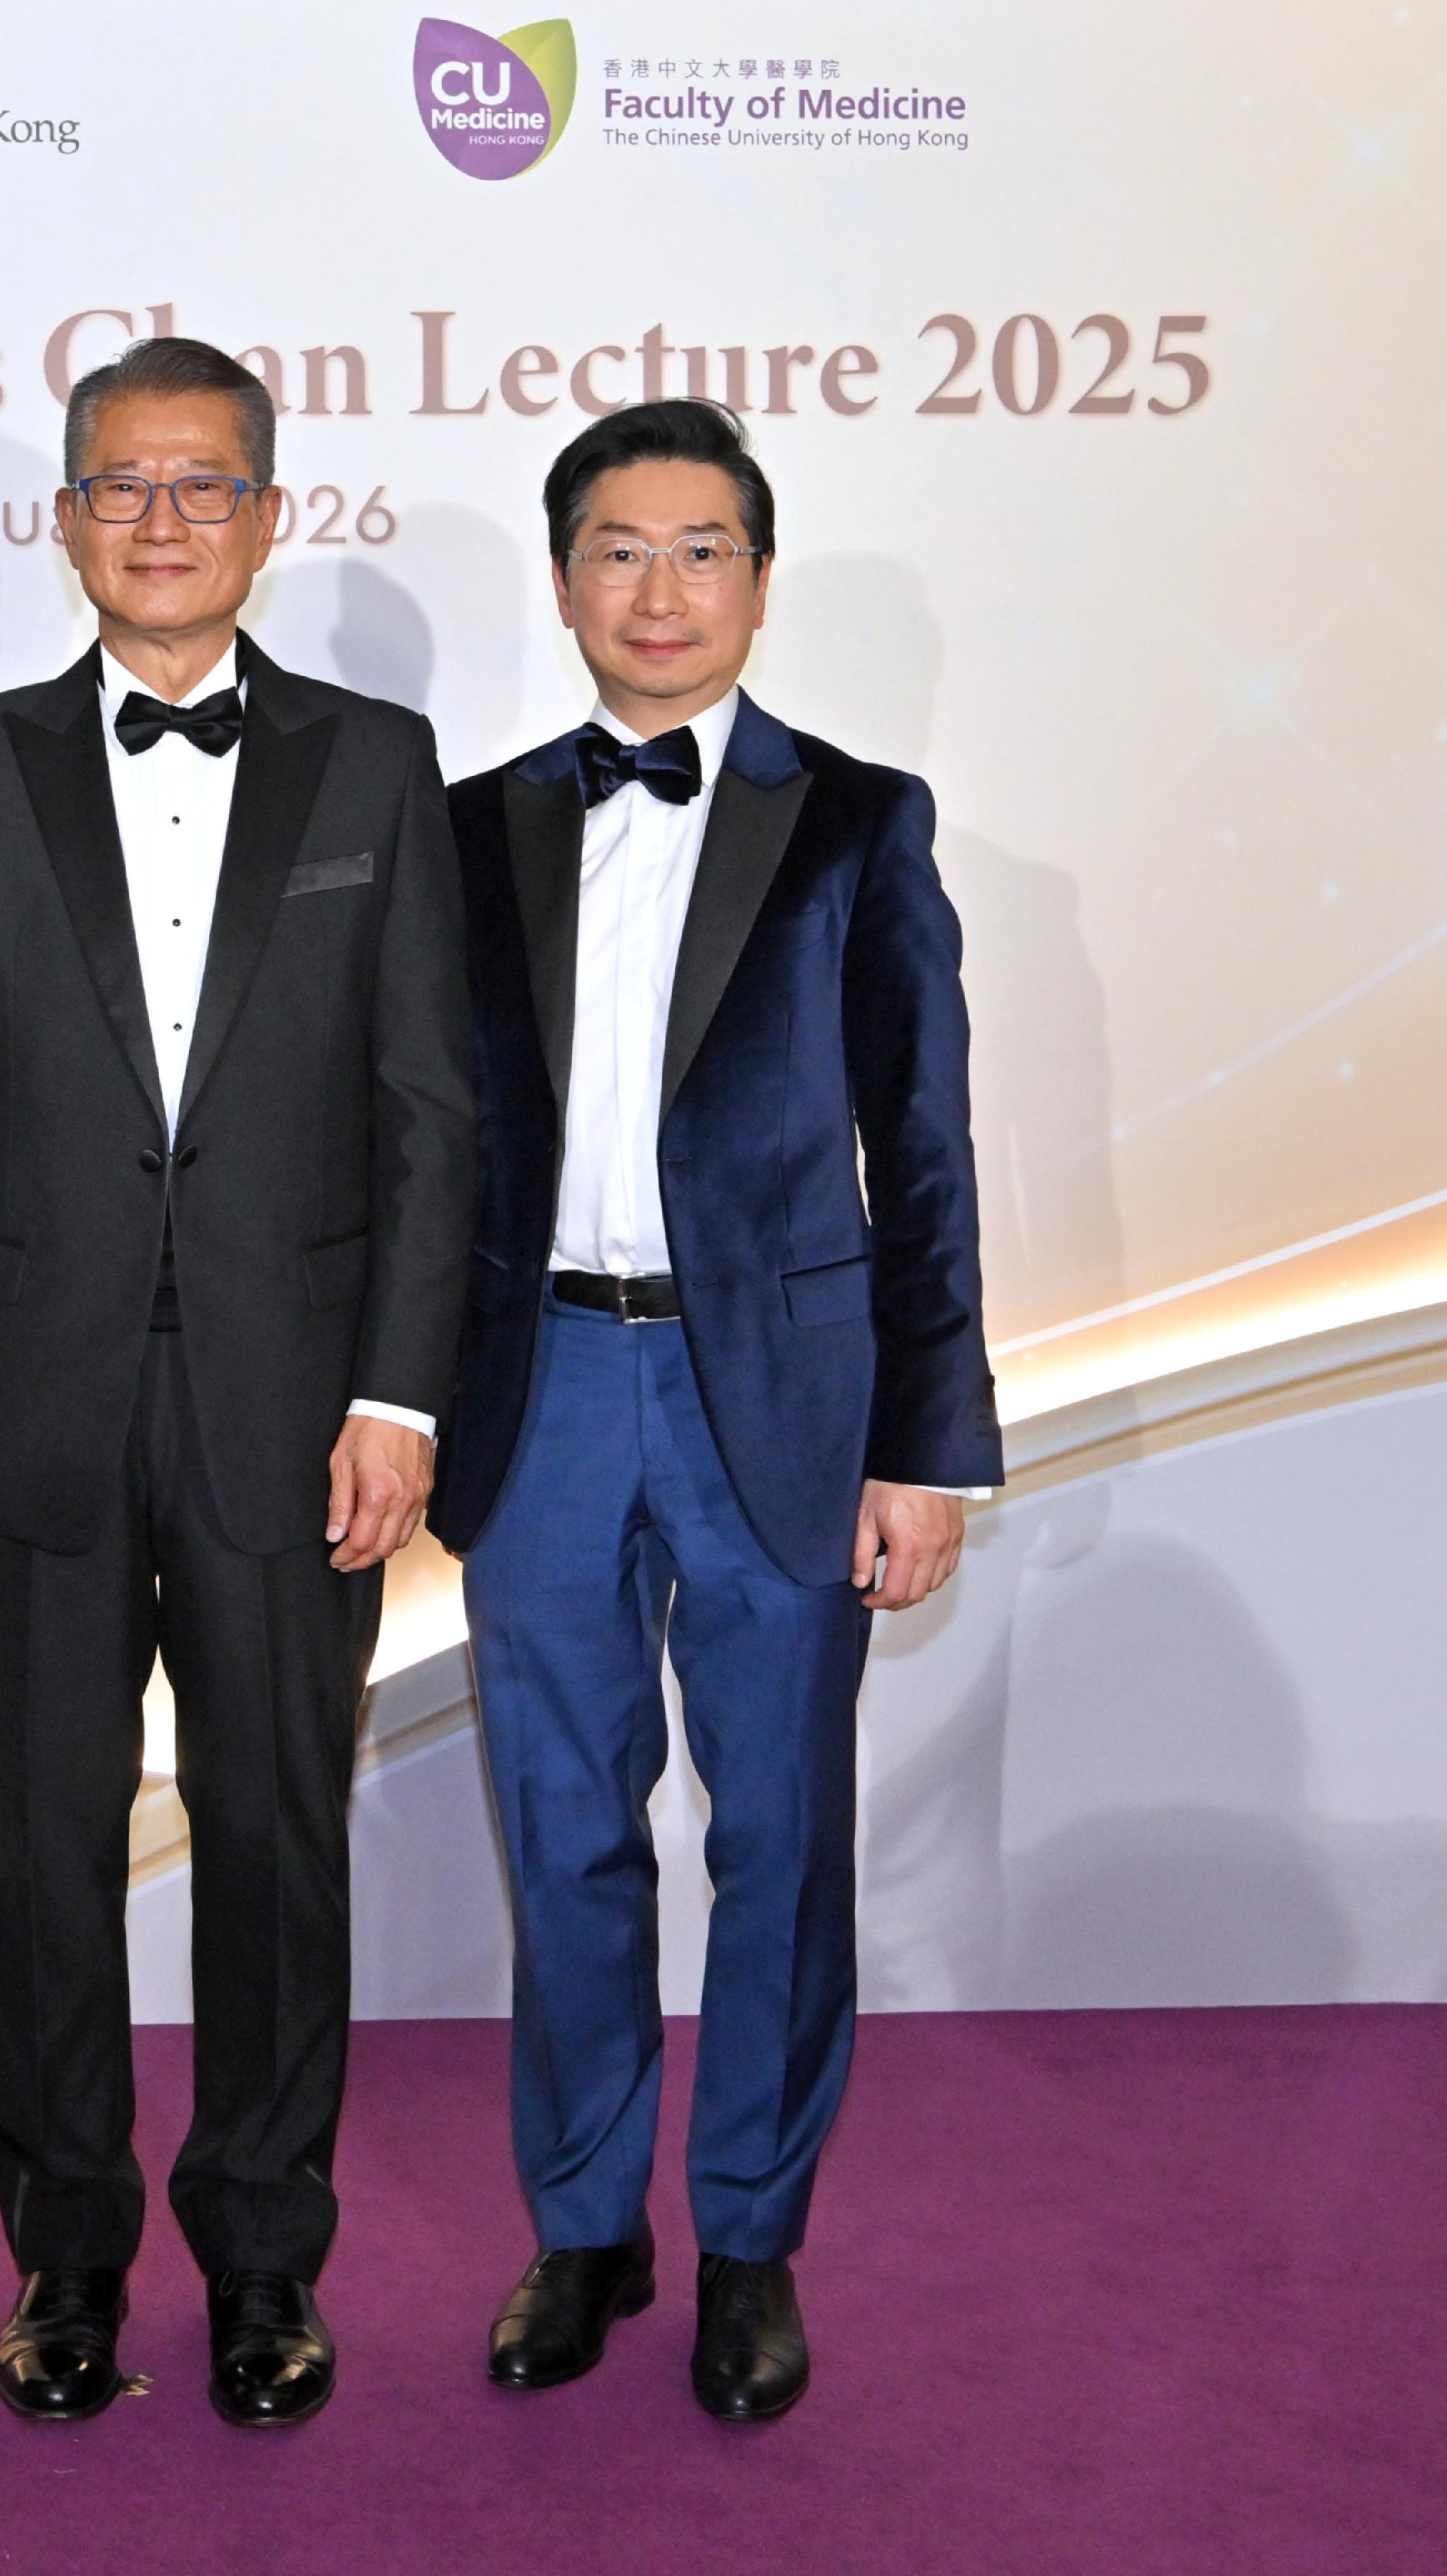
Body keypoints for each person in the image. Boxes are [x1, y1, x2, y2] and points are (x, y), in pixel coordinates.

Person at [0, 338, 474, 2428]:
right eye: (122, 484)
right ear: (67, 517)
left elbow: (424, 1114)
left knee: (278, 1840)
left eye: (204, 485)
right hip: (17, 1412)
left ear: (269, 519)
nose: (162, 519)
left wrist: (401, 1389)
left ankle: (268, 2263)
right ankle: (65, 2256)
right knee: (32, 1844)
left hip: (301, 1416)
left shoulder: (377, 768)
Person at [431, 400, 1001, 2421]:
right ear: (563, 573)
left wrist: (925, 1440)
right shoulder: (471, 824)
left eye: (699, 550)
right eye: (615, 548)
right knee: (562, 1834)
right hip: (540, 1393)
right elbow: (425, 1149)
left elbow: (917, 1150)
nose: (655, 591)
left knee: (776, 1840)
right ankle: (582, 2227)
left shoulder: (859, 821)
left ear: (755, 579)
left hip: (781, 1399)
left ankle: (749, 2240)